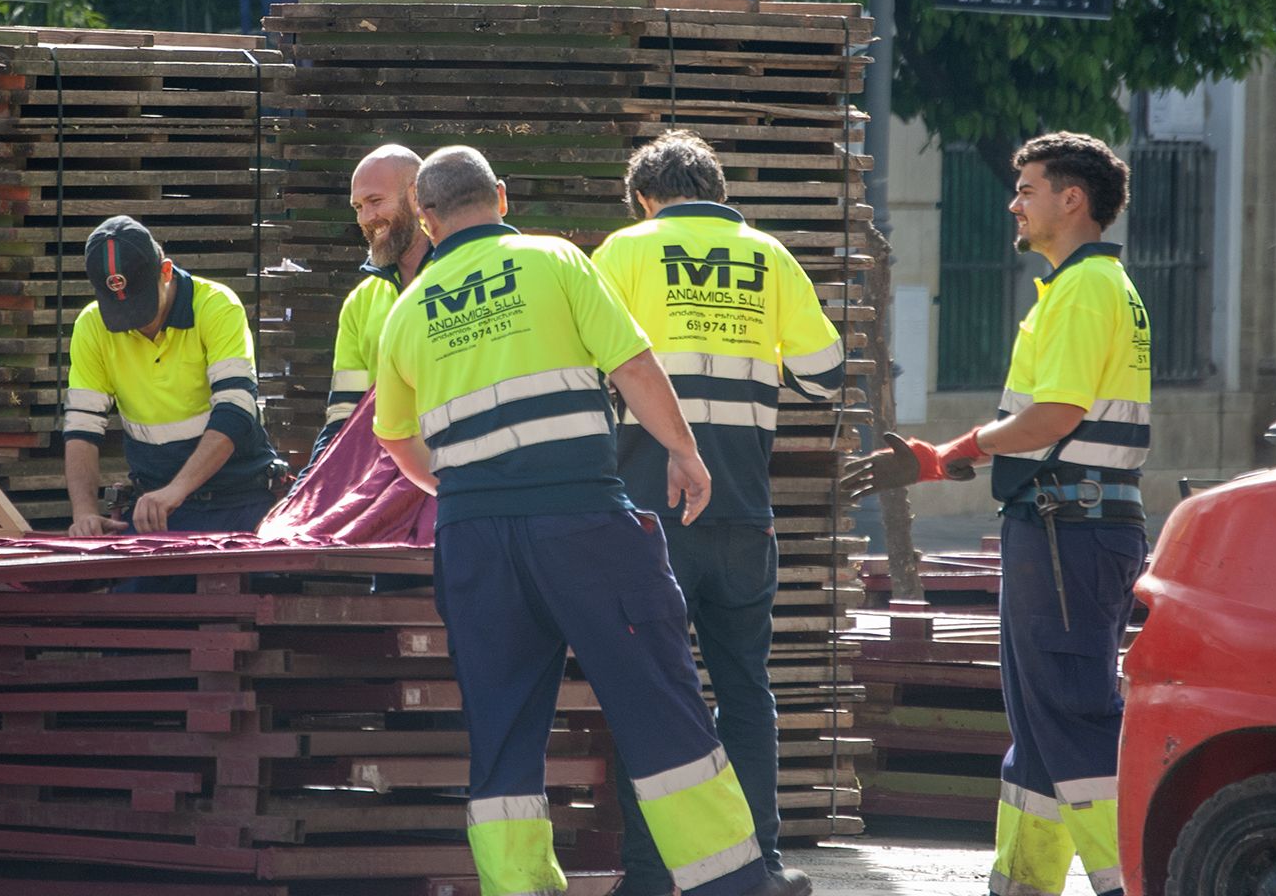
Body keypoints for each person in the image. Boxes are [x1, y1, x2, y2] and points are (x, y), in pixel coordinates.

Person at [371, 146, 813, 896]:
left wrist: (460, 489)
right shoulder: (555, 262)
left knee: (503, 725)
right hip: (578, 517)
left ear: (428, 218)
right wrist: (684, 452)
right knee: (656, 696)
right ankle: (730, 884)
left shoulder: (407, 308)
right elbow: (633, 365)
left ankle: (520, 888)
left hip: (476, 537)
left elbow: (393, 438)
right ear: (501, 198)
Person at [844, 132, 1151, 896]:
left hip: (1066, 532)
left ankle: (1131, 882)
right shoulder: (1078, 288)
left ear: (1070, 199)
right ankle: (1019, 883)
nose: (1013, 203)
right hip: (1063, 528)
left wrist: (949, 453)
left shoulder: (1084, 290)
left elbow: (1052, 415)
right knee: (1042, 725)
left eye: (1026, 189)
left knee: (1071, 716)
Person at [591, 131, 844, 893]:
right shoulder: (770, 256)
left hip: (650, 514)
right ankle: (759, 864)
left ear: (644, 195)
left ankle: (647, 875)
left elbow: (581, 369)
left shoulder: (624, 251)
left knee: (651, 695)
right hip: (743, 511)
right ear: (718, 188)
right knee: (744, 692)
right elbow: (823, 376)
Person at [62, 215, 282, 537]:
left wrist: (177, 490)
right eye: (119, 311)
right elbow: (82, 427)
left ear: (166, 272)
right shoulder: (91, 326)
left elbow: (235, 410)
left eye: (142, 305)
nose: (135, 322)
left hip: (240, 503)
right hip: (155, 509)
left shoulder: (217, 307)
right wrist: (84, 513)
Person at [302, 144, 431, 474]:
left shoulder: (462, 276)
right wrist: (310, 485)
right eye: (358, 207)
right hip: (384, 480)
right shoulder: (359, 303)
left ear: (417, 195)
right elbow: (343, 418)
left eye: (375, 202)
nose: (366, 219)